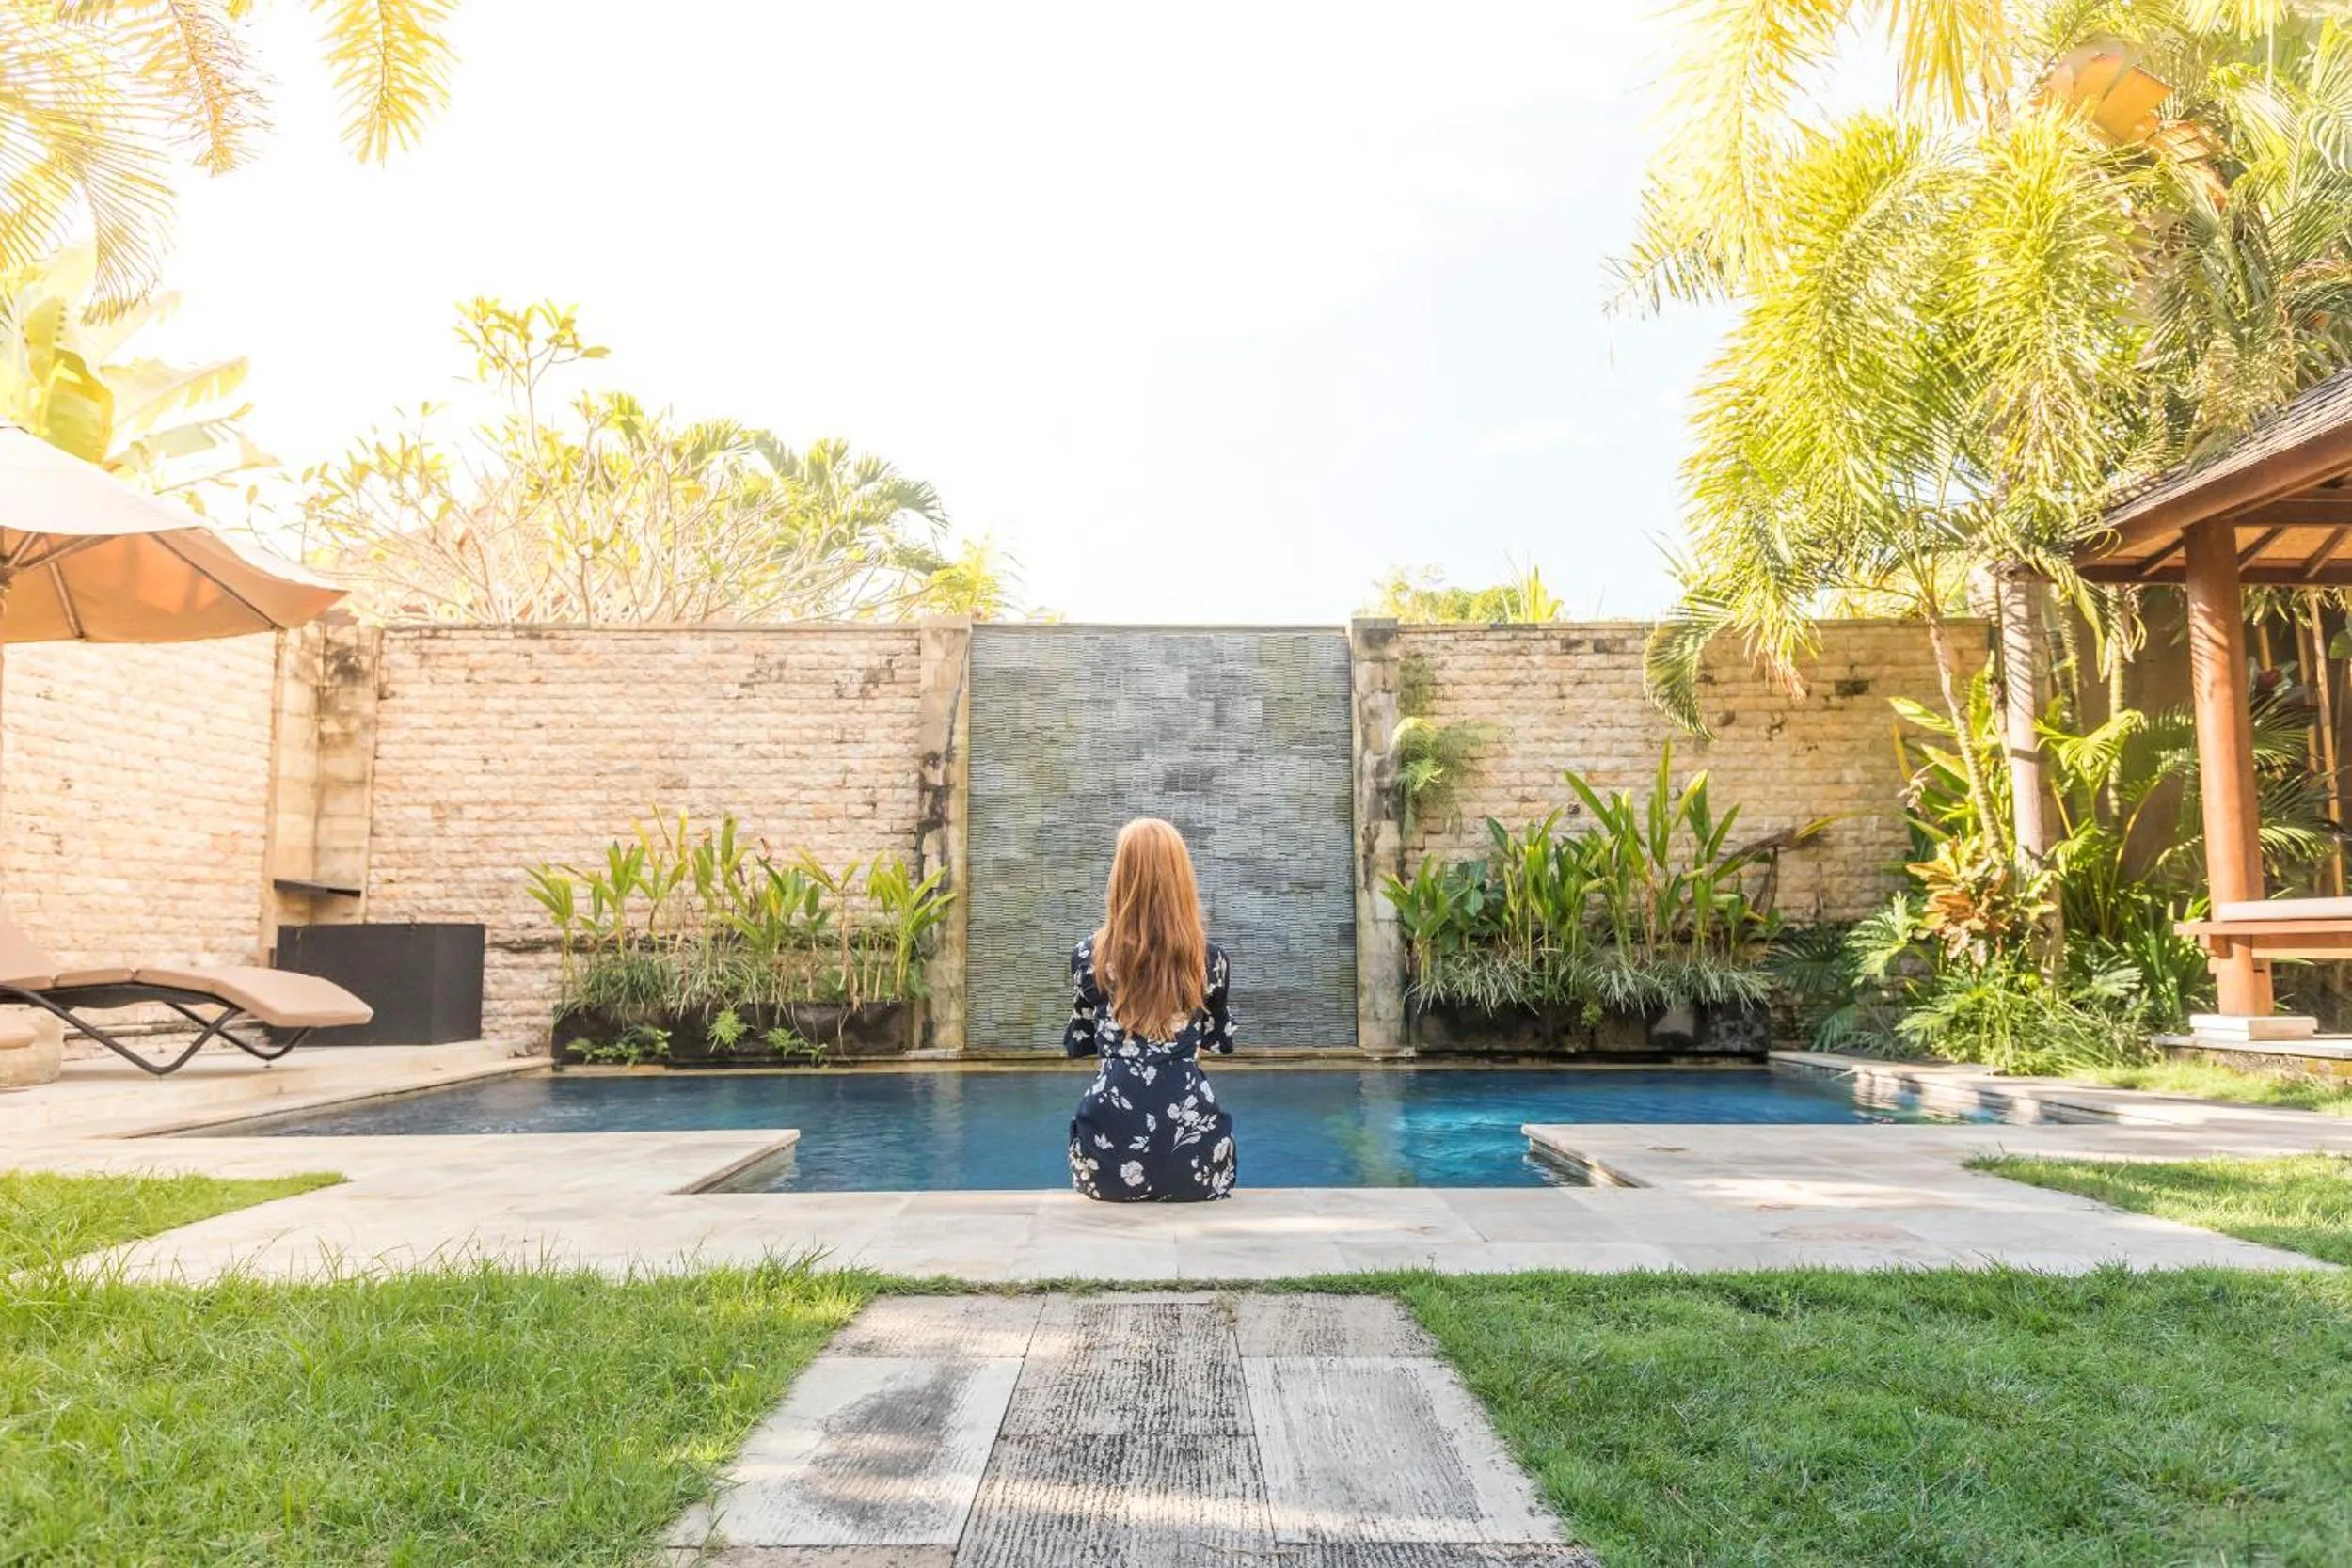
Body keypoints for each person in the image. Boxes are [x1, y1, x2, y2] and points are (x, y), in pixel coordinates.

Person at [1064, 817, 1237, 1201]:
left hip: (1106, 1167)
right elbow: (1215, 1039)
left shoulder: (1086, 957)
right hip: (1198, 1168)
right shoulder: (1210, 961)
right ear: (1181, 880)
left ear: (1120, 877)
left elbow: (1080, 1042)